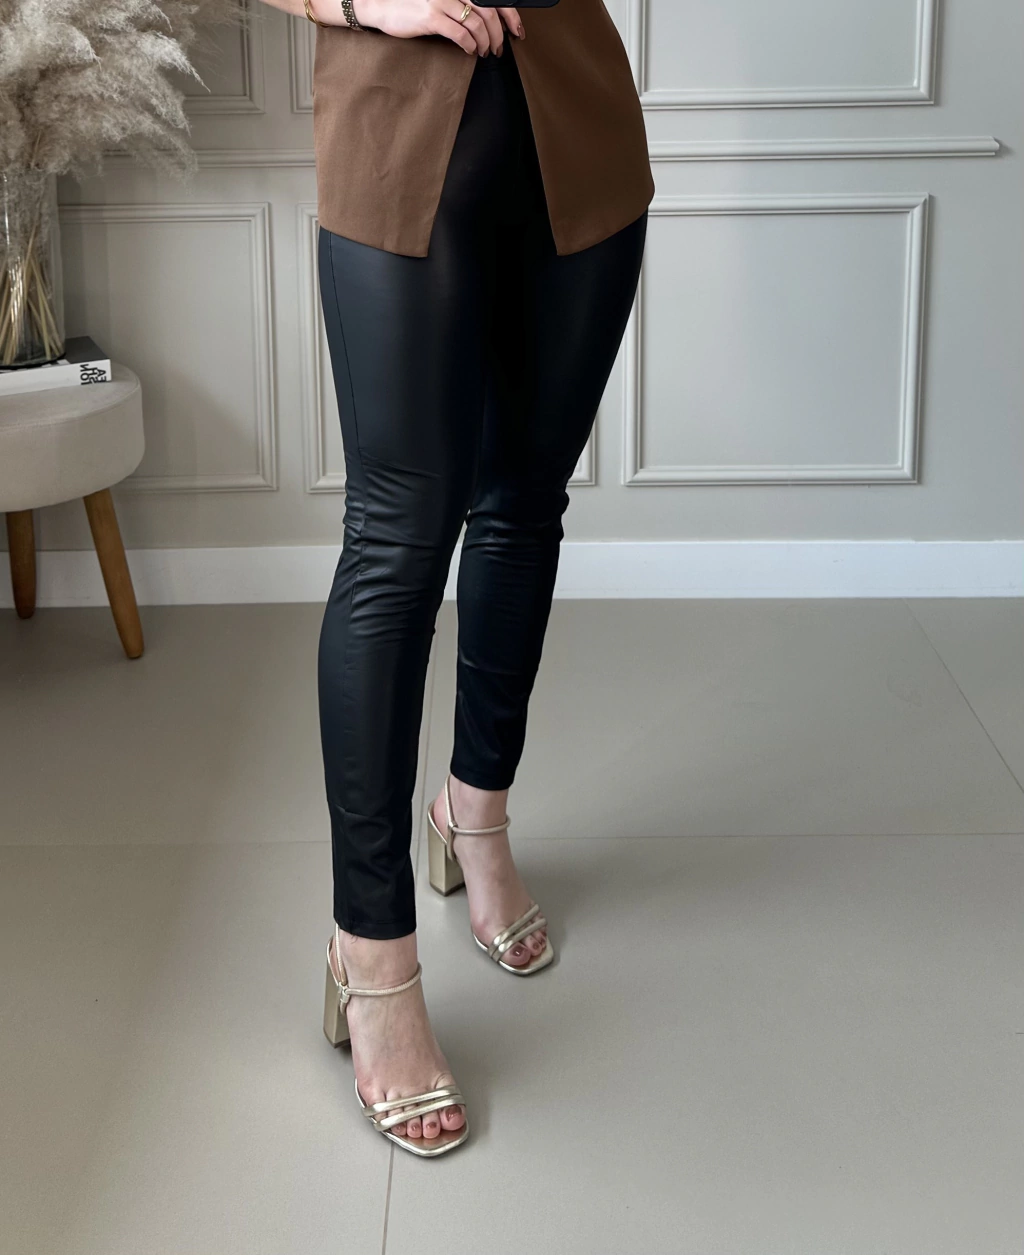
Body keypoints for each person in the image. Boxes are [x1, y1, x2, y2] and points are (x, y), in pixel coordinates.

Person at [261, 0, 654, 1157]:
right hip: (395, 142)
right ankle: (370, 951)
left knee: (525, 503)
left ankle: (474, 815)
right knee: (395, 547)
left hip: (581, 139)